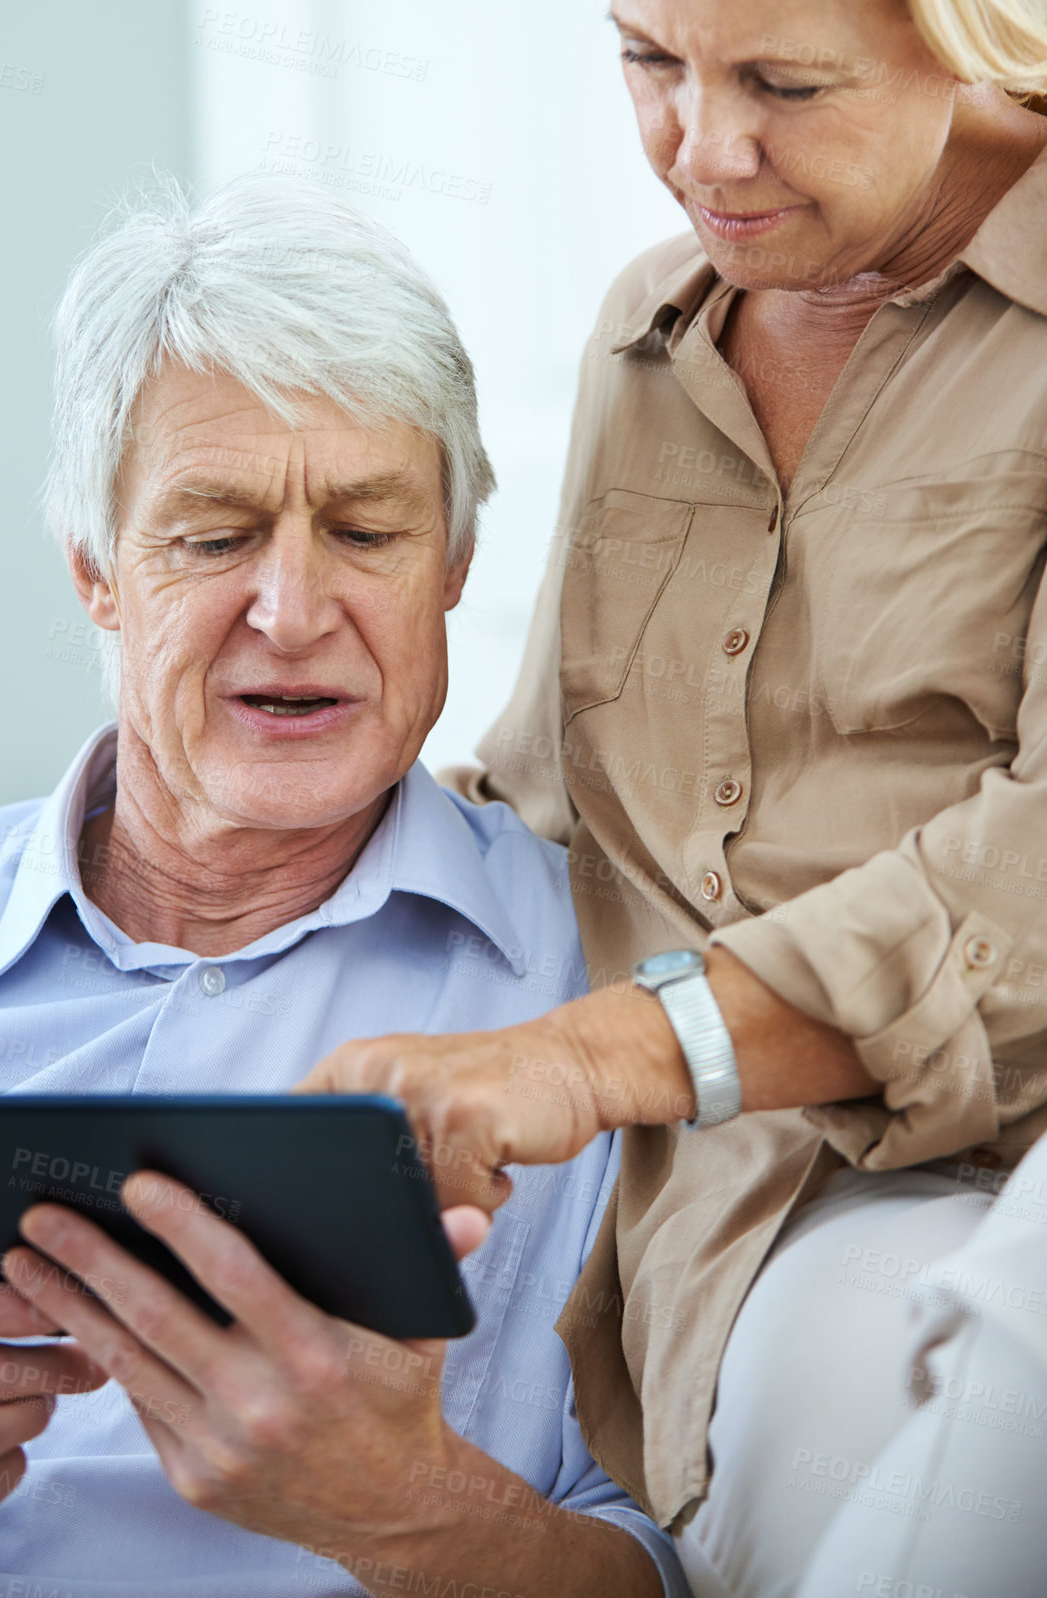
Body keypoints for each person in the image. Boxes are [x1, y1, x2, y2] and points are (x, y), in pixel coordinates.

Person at [0, 178, 687, 1598]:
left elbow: (676, 1577)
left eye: (366, 529)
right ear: (96, 569)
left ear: (454, 559)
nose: (289, 610)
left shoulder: (600, 1007)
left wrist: (408, 1509)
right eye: (212, 537)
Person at [297, 2, 1047, 1593]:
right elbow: (551, 787)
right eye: (649, 59)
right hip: (723, 1209)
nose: (702, 151)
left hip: (979, 1171)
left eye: (783, 81)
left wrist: (597, 1053)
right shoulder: (656, 330)